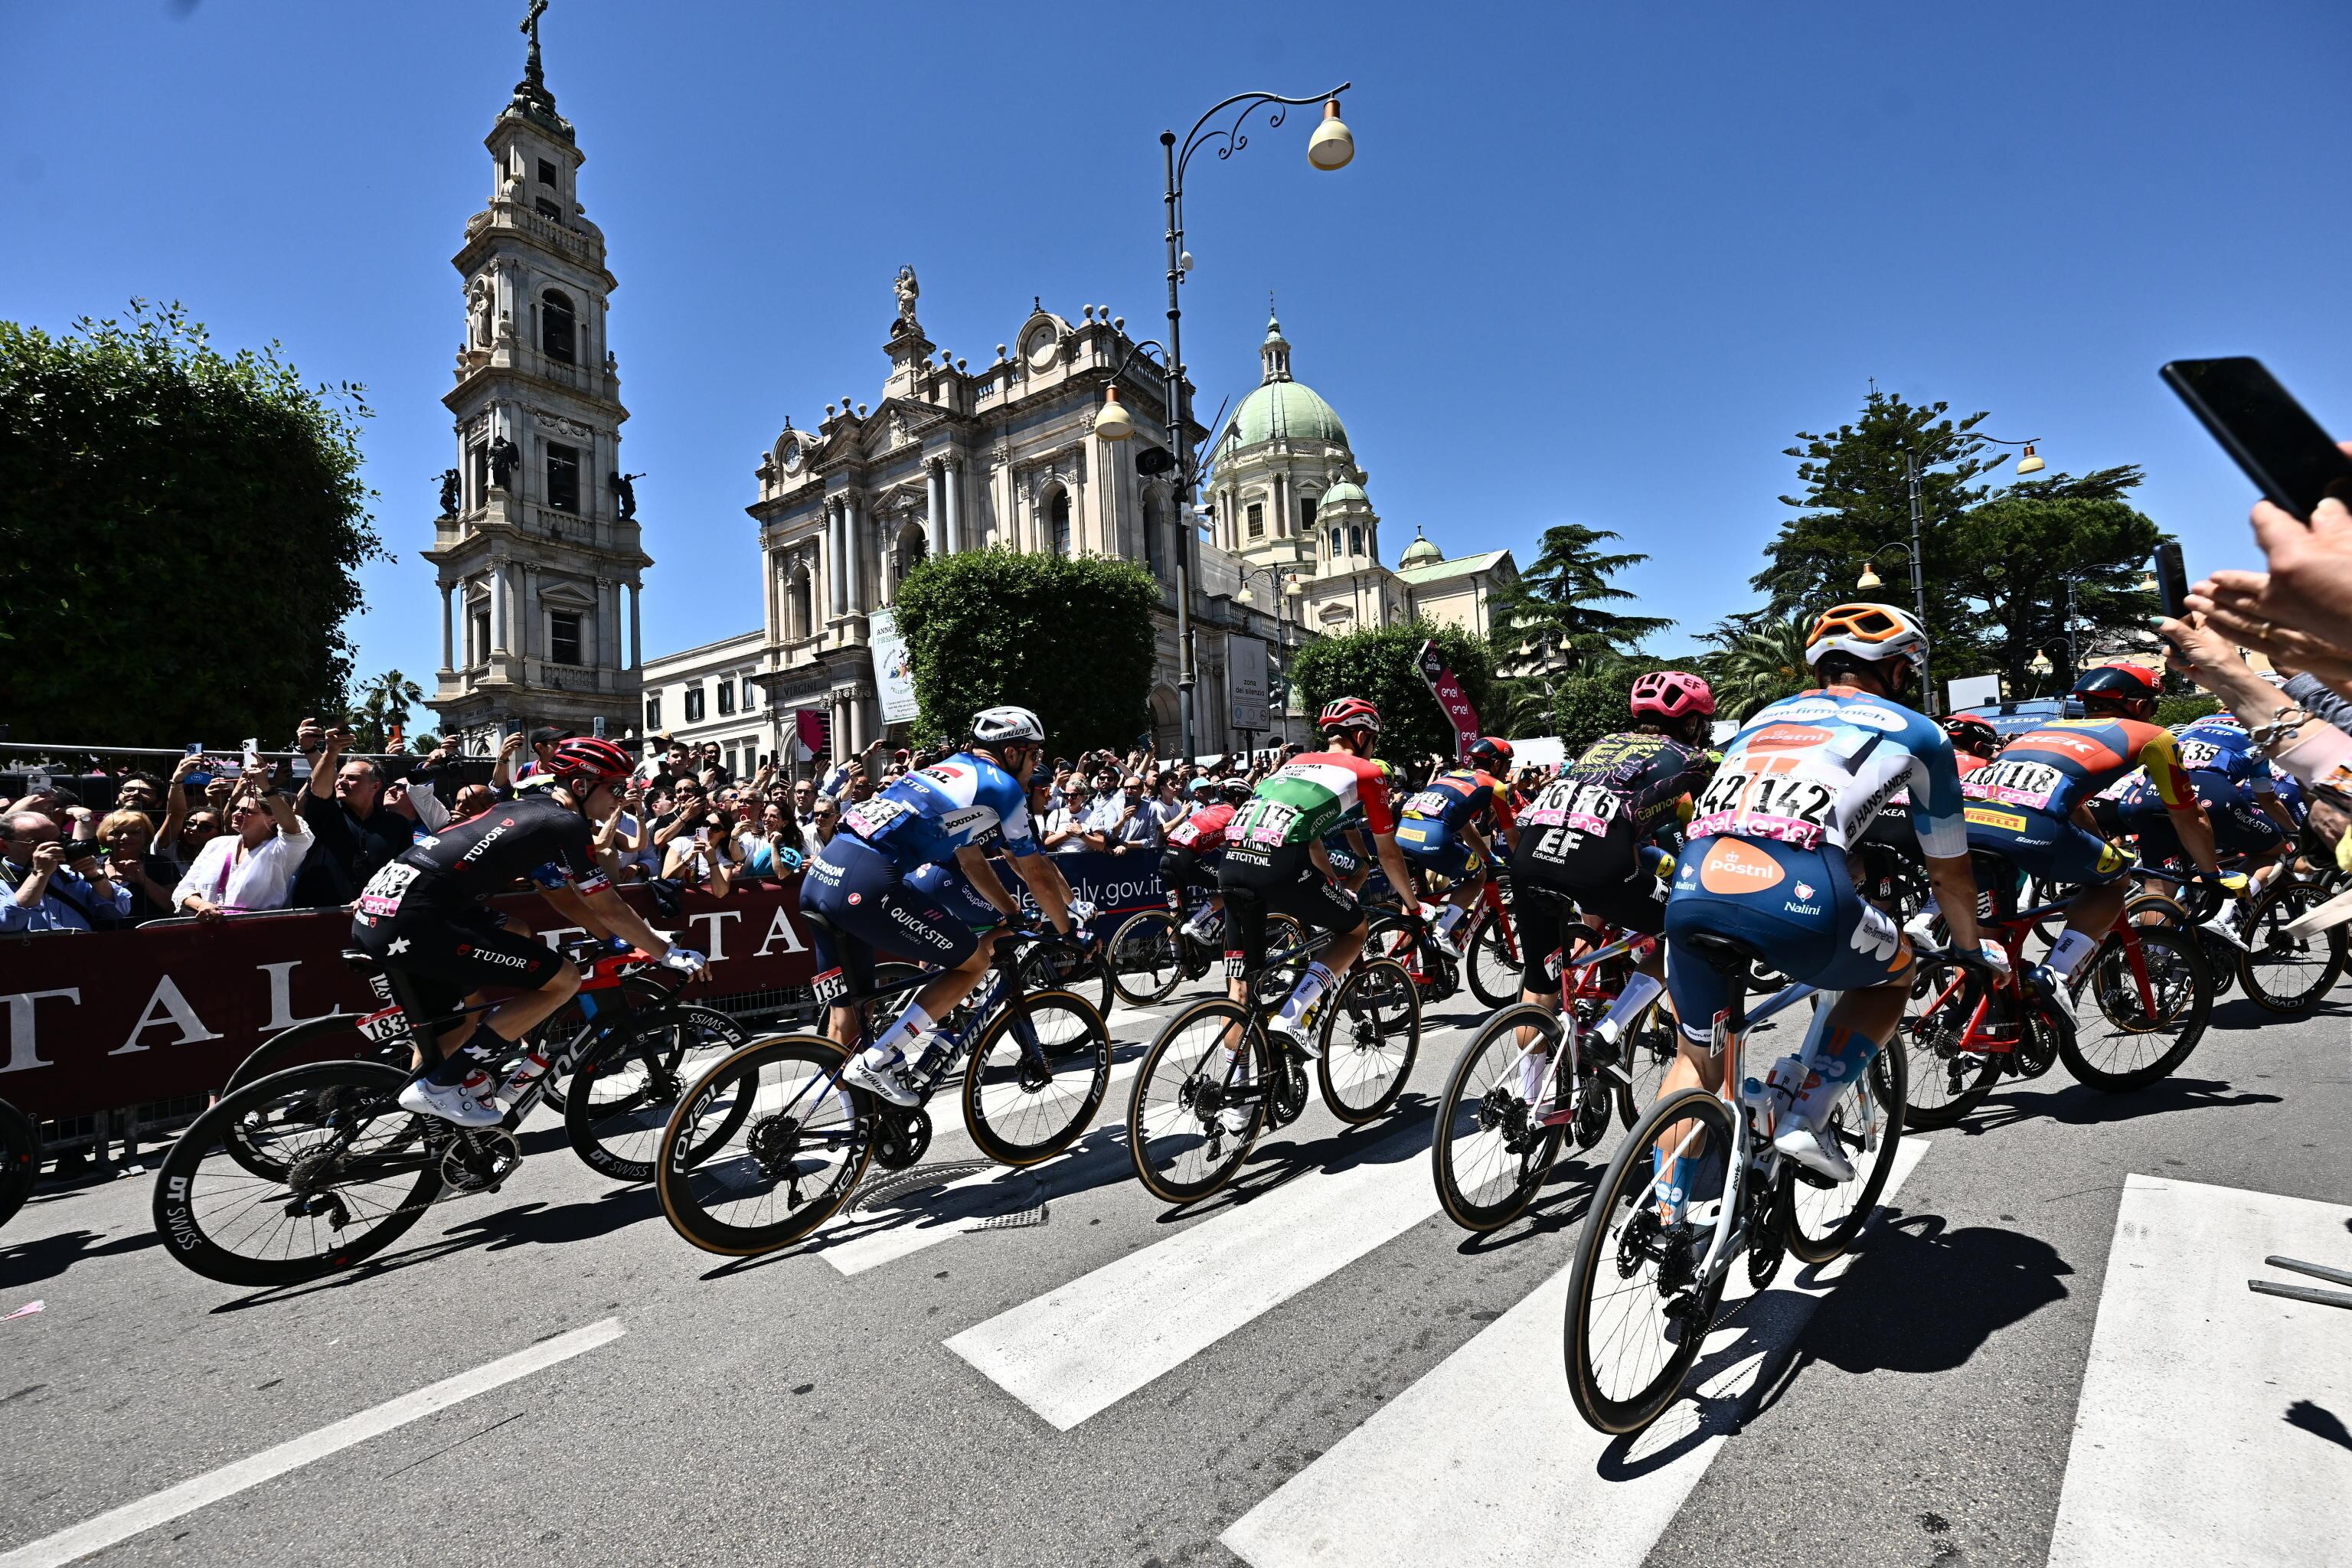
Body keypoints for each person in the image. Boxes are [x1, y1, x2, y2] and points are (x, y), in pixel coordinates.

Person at [1661, 604, 2001, 1184]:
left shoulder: (1763, 716)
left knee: (1696, 1058)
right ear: (1896, 671)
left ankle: (1669, 1216)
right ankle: (1809, 1112)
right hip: (1800, 896)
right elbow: (1950, 872)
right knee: (1898, 971)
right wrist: (1970, 948)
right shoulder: (1922, 733)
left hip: (1694, 885)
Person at [350, 737, 703, 1126]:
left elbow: (562, 896)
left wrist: (609, 939)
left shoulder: (527, 813)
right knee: (563, 980)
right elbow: (607, 904)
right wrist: (663, 952)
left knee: (460, 1023)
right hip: (416, 919)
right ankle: (441, 1087)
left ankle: (438, 1136)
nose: (619, 799)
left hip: (384, 911)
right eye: (614, 788)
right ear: (582, 786)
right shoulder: (564, 823)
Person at [798, 706, 1082, 1107]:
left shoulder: (946, 769)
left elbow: (971, 859)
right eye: (1034, 755)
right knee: (974, 963)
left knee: (848, 1017)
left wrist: (1013, 914)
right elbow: (1035, 871)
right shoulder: (1003, 787)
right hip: (868, 882)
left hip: (823, 875)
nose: (1037, 765)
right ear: (1013, 752)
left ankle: (856, 1128)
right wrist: (1069, 931)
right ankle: (879, 1059)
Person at [1961, 661, 2236, 1011]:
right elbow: (2187, 814)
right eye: (2154, 705)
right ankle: (2057, 974)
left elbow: (2075, 806)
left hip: (1966, 825)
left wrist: (2102, 846)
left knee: (1992, 941)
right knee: (2113, 881)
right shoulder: (2154, 736)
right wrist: (2211, 873)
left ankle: (1976, 1031)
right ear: (2139, 705)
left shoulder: (2041, 730)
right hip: (2030, 829)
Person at [1507, 672, 1718, 1102]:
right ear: (1694, 724)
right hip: (1597, 865)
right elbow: (1705, 830)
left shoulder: (1602, 744)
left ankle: (1533, 1102)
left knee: (1541, 983)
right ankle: (1607, 1030)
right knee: (1678, 932)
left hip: (1530, 858)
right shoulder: (1695, 759)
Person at [1216, 698, 1421, 1122]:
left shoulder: (1292, 764)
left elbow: (1311, 841)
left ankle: (1235, 1101)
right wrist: (1413, 905)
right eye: (1374, 740)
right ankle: (1292, 1017)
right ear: (1363, 737)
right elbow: (1388, 852)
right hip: (1277, 865)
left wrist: (1332, 892)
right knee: (1355, 930)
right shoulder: (1367, 771)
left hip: (1232, 863)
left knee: (1239, 993)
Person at [1393, 736, 1521, 956]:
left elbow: (1466, 828)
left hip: (1402, 837)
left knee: (1412, 905)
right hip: (1433, 839)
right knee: (1478, 875)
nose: (1508, 772)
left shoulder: (1447, 777)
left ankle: (1400, 970)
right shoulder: (1495, 786)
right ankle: (1442, 933)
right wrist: (1523, 864)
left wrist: (1489, 855)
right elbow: (1511, 835)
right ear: (1498, 763)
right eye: (1508, 765)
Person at [289, 718, 415, 909]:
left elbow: (402, 872)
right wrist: (331, 752)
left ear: (375, 786)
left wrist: (376, 899)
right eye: (340, 777)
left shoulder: (397, 825)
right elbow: (318, 790)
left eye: (352, 778)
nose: (341, 782)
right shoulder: (326, 813)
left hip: (372, 916)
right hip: (318, 916)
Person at [172, 767, 315, 919]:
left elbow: (294, 830)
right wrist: (202, 905)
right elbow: (184, 888)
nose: (237, 813)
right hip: (209, 930)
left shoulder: (282, 850)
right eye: (235, 808)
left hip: (258, 931)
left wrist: (266, 787)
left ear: (273, 818)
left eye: (247, 811)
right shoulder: (217, 844)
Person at [1, 812, 132, 933]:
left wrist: (94, 876)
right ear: (4, 846)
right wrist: (40, 874)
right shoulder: (3, 880)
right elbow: (6, 924)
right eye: (38, 842)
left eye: (58, 839)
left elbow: (118, 911)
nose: (54, 847)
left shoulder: (72, 873)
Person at [1161, 777, 1250, 939]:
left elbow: (1223, 844)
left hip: (1167, 857)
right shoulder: (1235, 816)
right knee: (1229, 888)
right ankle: (1195, 924)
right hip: (1185, 858)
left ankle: (1179, 963)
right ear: (1238, 800)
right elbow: (1239, 849)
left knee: (1176, 914)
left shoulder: (1212, 809)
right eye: (1247, 800)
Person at [96, 808, 181, 924]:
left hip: (151, 935)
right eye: (116, 832)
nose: (125, 837)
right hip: (101, 936)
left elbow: (174, 906)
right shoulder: (93, 866)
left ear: (146, 836)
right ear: (104, 836)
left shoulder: (161, 864)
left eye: (134, 832)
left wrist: (143, 881)